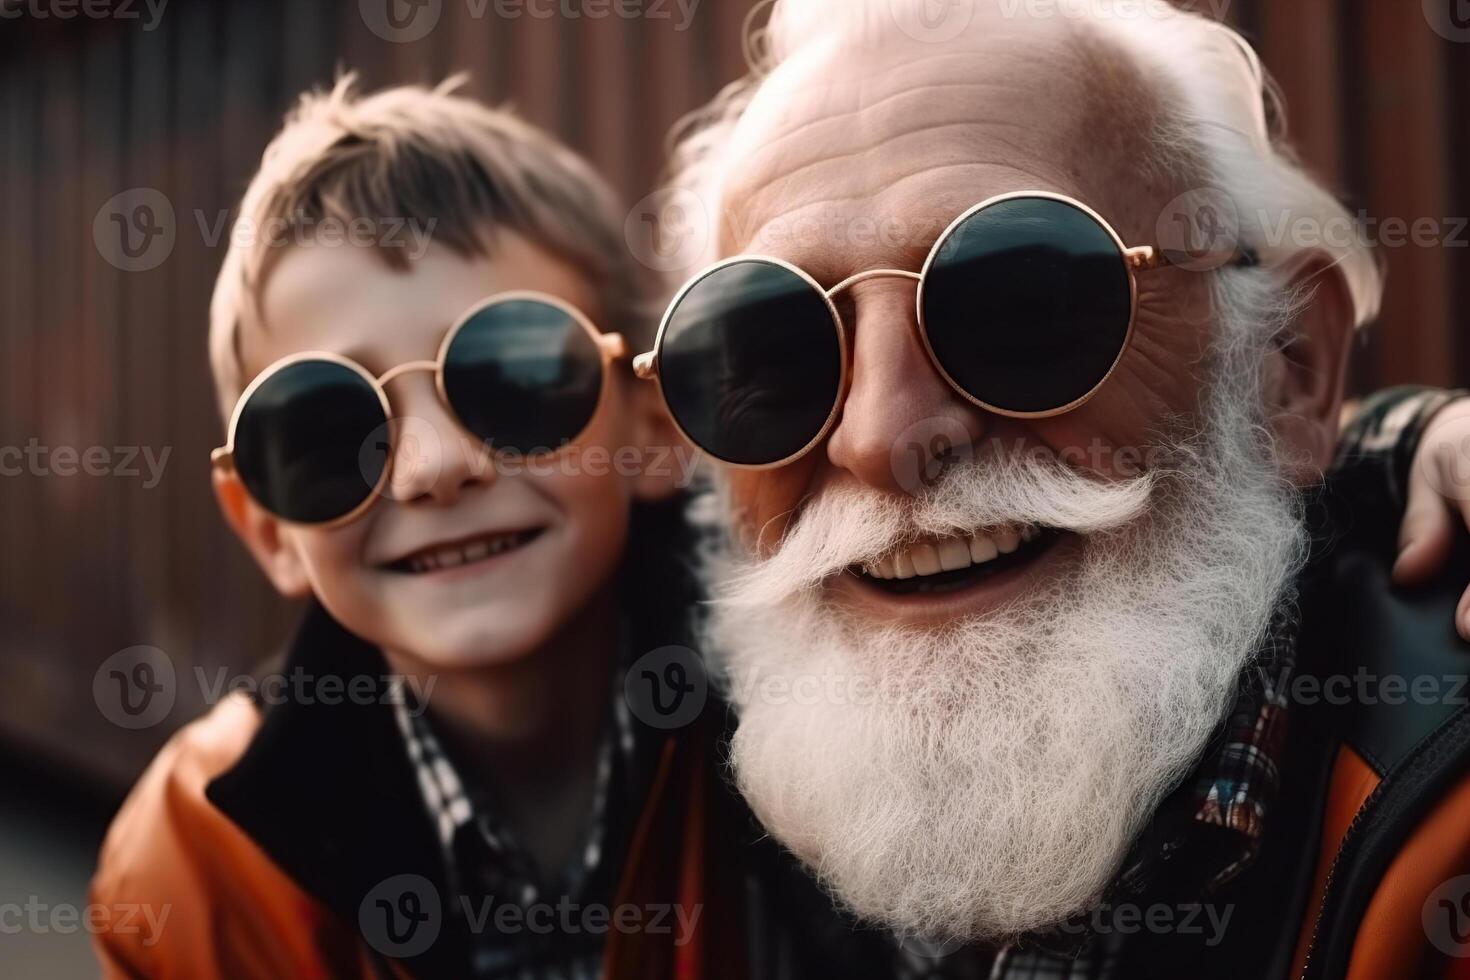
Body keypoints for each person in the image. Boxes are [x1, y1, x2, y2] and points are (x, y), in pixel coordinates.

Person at [627, 1, 1470, 976]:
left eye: (1015, 301)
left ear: (1286, 365)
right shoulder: (666, 778)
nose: (880, 436)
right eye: (778, 345)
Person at [89, 76, 714, 979]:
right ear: (267, 529)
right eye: (333, 427)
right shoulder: (193, 867)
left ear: (652, 425)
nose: (433, 467)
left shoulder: (819, 733)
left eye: (513, 376)